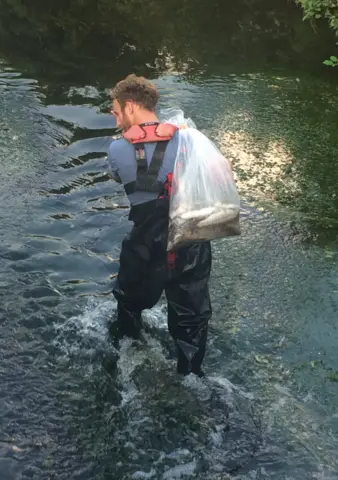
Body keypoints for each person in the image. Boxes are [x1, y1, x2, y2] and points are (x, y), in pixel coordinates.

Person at [106, 74, 212, 377]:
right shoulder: (188, 138)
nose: (114, 117)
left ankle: (129, 355)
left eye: (115, 111)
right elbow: (219, 173)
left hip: (145, 245)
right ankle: (191, 377)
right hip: (189, 242)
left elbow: (119, 176)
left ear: (129, 106)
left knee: (128, 301)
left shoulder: (116, 149)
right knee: (191, 317)